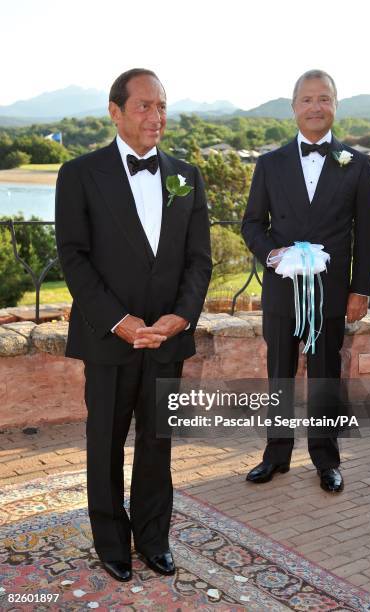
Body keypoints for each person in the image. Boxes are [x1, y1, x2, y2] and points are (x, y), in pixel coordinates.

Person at [55, 68, 212, 582]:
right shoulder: (79, 173)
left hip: (167, 339)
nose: (156, 116)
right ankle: (110, 542)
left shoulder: (187, 175)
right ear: (115, 111)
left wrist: (181, 317)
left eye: (162, 106)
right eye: (144, 106)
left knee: (157, 444)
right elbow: (74, 259)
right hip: (109, 339)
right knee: (105, 443)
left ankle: (152, 538)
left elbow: (199, 261)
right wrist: (120, 322)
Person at [242, 69, 370, 493]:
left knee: (325, 376)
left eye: (324, 99)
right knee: (279, 373)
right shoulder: (269, 164)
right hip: (283, 290)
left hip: (331, 291)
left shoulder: (356, 165)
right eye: (307, 99)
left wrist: (361, 289)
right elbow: (252, 225)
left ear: (335, 106)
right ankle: (275, 455)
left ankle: (326, 459)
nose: (315, 107)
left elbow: (367, 233)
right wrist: (273, 253)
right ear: (294, 108)